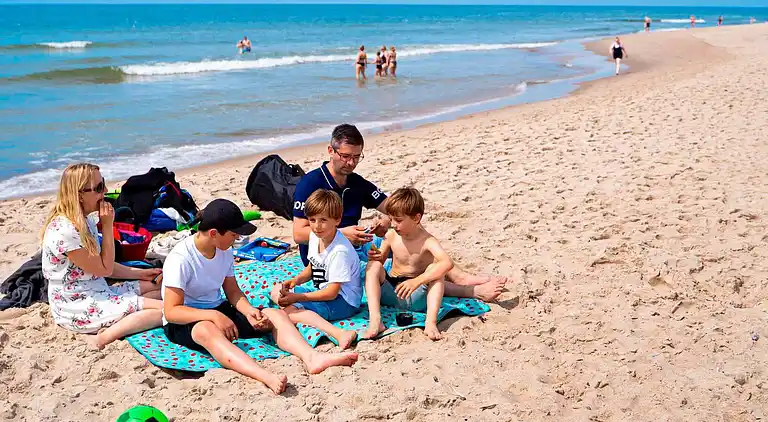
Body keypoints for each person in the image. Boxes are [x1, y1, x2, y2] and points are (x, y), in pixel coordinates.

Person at [161, 199, 358, 394]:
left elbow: (233, 292)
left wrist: (250, 312)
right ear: (213, 234)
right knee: (207, 329)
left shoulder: (224, 250)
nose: (236, 238)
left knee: (274, 314)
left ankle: (311, 358)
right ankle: (264, 376)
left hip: (216, 307)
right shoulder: (180, 259)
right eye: (233, 234)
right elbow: (171, 311)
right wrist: (213, 316)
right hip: (185, 320)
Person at [292, 124, 506, 303]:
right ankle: (468, 290)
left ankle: (459, 276)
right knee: (383, 264)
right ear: (331, 151)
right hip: (325, 251)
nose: (351, 163)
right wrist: (342, 233)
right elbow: (298, 234)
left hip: (357, 242)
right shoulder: (310, 183)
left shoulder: (357, 182)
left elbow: (394, 208)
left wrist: (386, 221)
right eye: (346, 156)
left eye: (357, 157)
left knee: (412, 231)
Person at [40, 163, 163, 350]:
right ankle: (103, 338)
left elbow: (102, 265)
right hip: (77, 305)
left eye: (102, 184)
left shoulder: (86, 218)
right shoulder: (65, 230)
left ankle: (134, 310)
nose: (105, 190)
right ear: (79, 194)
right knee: (165, 311)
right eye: (98, 188)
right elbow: (105, 269)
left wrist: (141, 273)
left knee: (160, 288)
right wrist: (107, 226)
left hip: (98, 289)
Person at [270, 190, 361, 350]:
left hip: (343, 301)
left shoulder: (340, 251)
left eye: (323, 220)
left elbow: (331, 293)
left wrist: (297, 297)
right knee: (277, 290)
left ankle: (339, 333)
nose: (317, 226)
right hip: (324, 291)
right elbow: (313, 267)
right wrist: (295, 281)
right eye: (312, 220)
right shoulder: (315, 237)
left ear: (337, 220)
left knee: (290, 312)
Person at [363, 187, 452, 341]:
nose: (394, 225)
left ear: (416, 218)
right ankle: (376, 320)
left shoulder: (427, 240)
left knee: (436, 270)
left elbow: (447, 262)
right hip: (393, 291)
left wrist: (417, 281)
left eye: (398, 220)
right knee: (373, 267)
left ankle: (430, 322)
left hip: (417, 295)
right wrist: (374, 256)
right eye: (391, 219)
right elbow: (379, 262)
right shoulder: (391, 235)